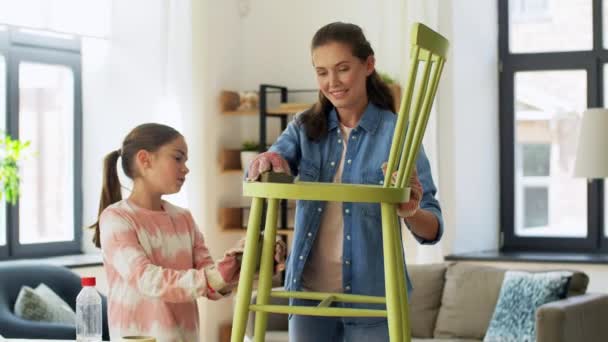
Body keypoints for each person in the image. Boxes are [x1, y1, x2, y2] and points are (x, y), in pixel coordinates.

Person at [246, 22, 443, 341]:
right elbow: (269, 162)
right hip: (309, 301)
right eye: (322, 72)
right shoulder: (303, 127)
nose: (332, 82)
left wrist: (409, 211)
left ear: (368, 64)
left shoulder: (398, 134)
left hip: (374, 303)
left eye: (342, 69)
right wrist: (270, 160)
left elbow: (432, 228)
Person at [90, 123, 285, 341]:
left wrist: (244, 259)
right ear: (145, 160)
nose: (186, 168)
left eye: (186, 160)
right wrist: (214, 276)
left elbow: (211, 286)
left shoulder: (183, 218)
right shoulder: (116, 218)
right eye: (177, 158)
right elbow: (147, 280)